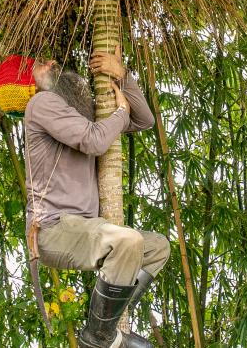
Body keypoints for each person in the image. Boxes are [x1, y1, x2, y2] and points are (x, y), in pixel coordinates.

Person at [22, 48, 170, 348]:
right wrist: (120, 112)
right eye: (41, 64)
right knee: (127, 241)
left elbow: (144, 120)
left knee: (158, 248)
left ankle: (108, 325)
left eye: (49, 59)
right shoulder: (41, 103)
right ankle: (97, 338)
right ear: (28, 80)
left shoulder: (77, 115)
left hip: (83, 230)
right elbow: (94, 140)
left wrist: (122, 75)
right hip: (54, 229)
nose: (52, 62)